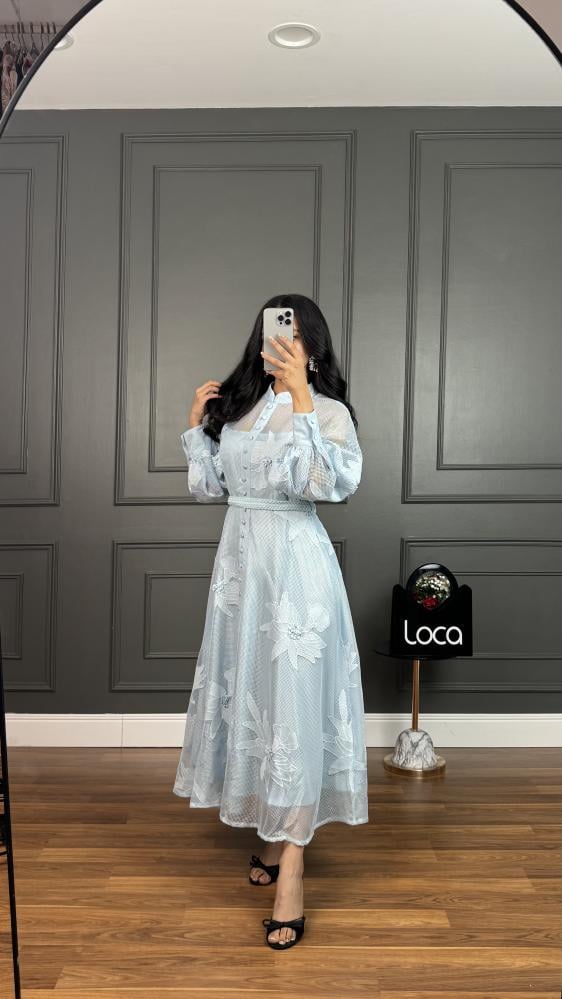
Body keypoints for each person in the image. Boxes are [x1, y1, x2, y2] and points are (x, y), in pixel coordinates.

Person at [173, 294, 369, 949]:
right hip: (241, 578)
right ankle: (273, 831)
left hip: (297, 575)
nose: (282, 344)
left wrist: (303, 401)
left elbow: (327, 485)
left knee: (297, 712)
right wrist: (197, 426)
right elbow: (212, 489)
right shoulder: (242, 408)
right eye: (273, 333)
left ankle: (294, 868)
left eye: (294, 335)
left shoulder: (329, 412)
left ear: (312, 345)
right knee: (259, 703)